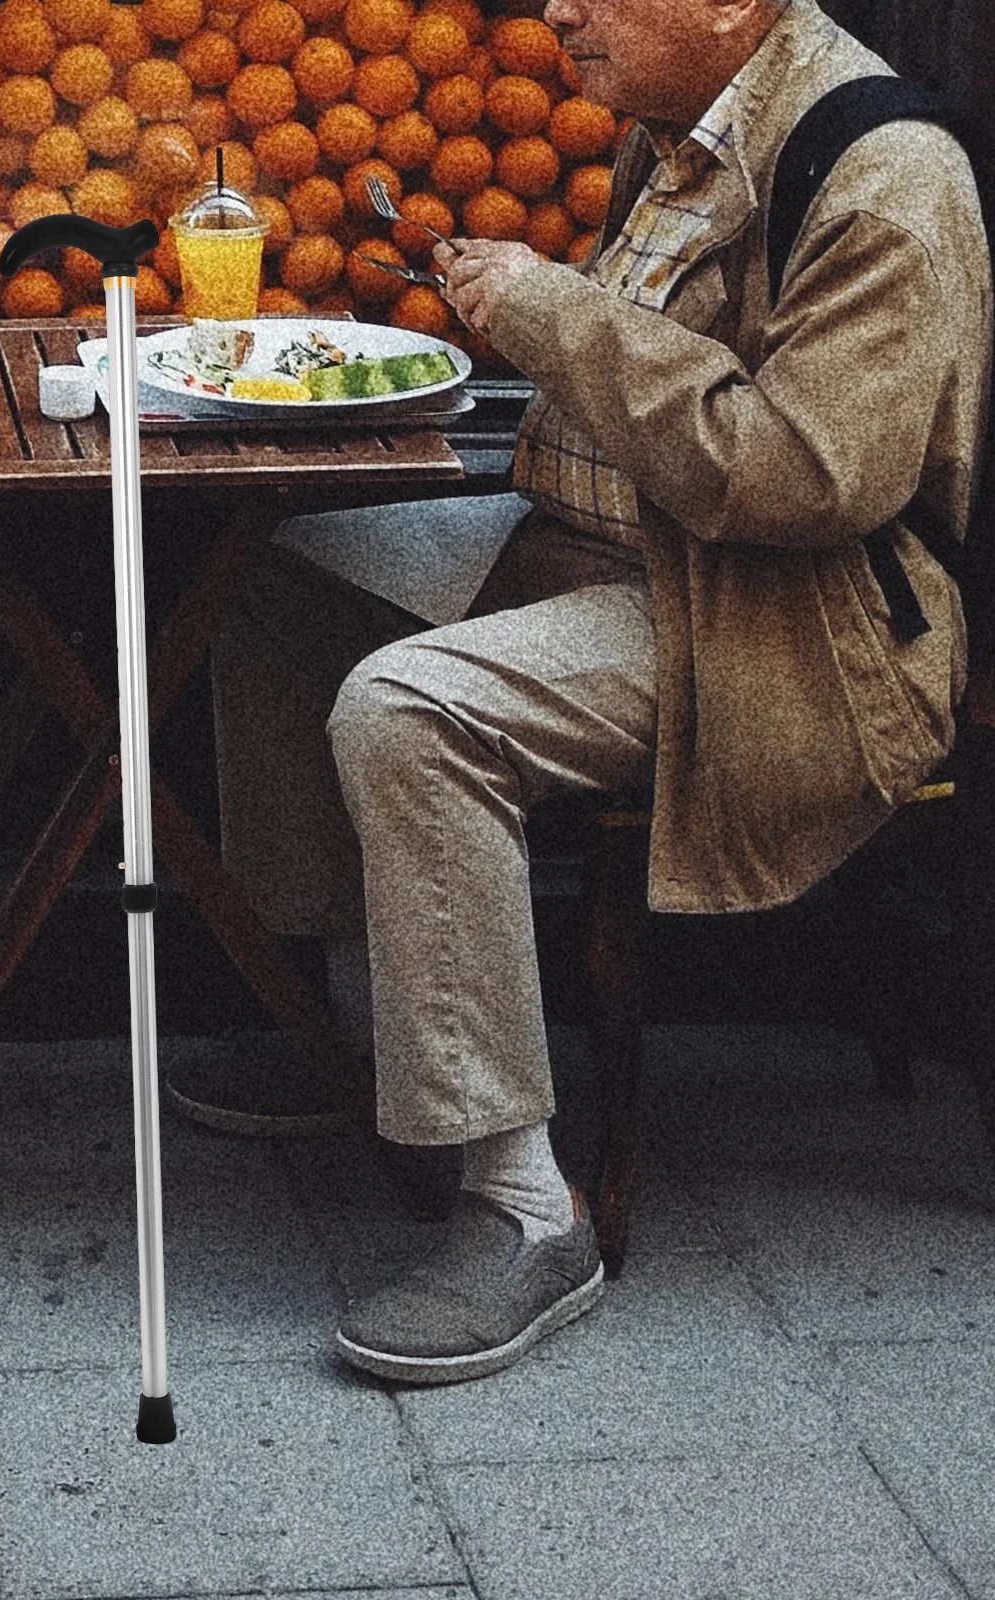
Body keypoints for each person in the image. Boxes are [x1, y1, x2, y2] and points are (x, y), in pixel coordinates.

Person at [165, 0, 993, 1385]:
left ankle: (521, 1210)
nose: (556, 9)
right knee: (275, 578)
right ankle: (363, 1049)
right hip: (608, 555)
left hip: (790, 630)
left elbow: (802, 477)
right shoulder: (670, 134)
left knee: (411, 707)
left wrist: (555, 313)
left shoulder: (884, 174)